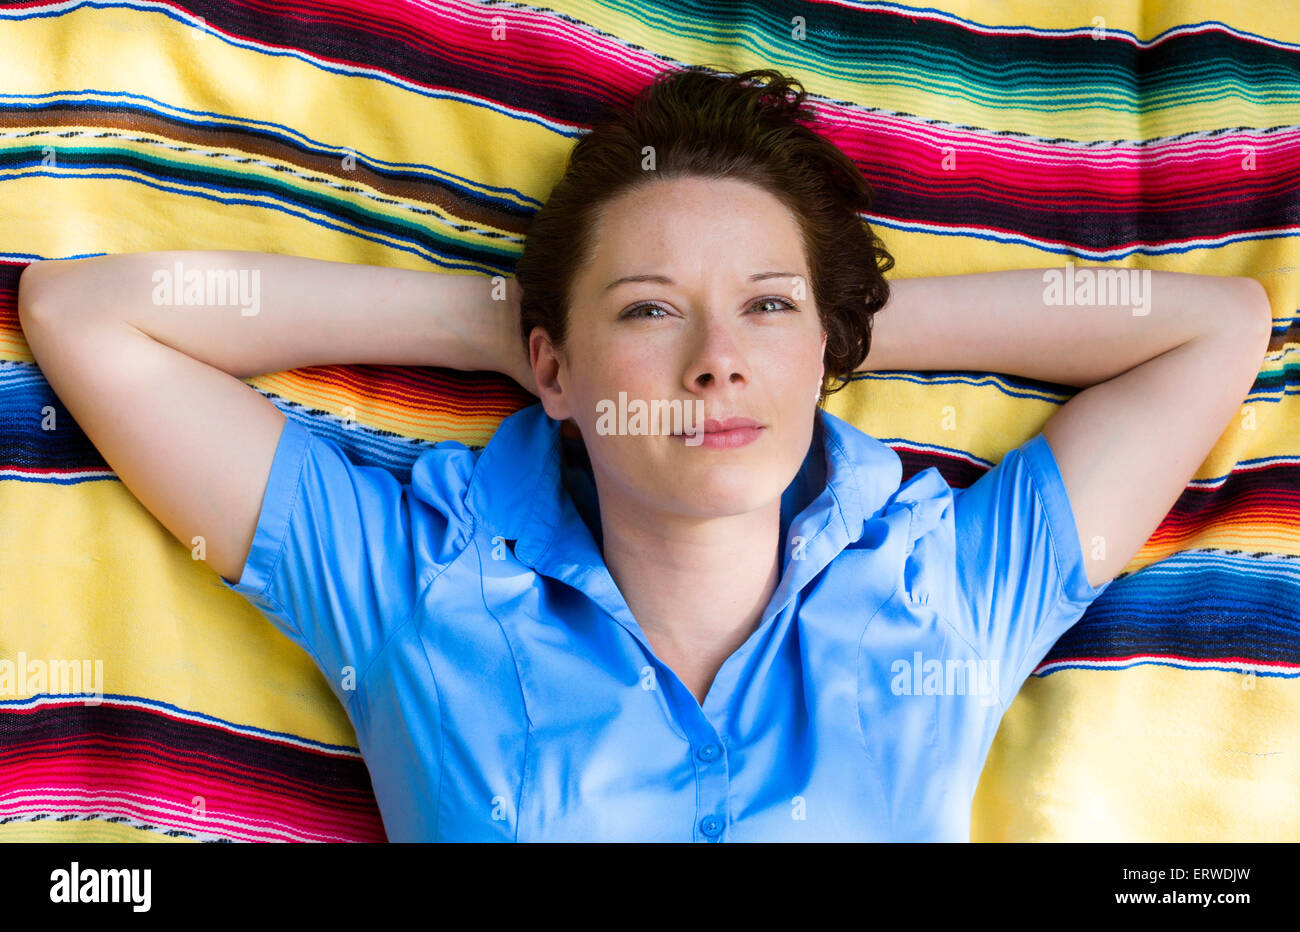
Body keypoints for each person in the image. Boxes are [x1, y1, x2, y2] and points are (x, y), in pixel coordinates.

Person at [17, 66, 1270, 841]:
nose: (717, 360)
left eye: (763, 310)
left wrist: (830, 329)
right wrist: (502, 325)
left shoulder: (945, 597)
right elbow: (90, 316)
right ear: (556, 367)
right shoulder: (416, 596)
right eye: (649, 309)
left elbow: (1214, 327)